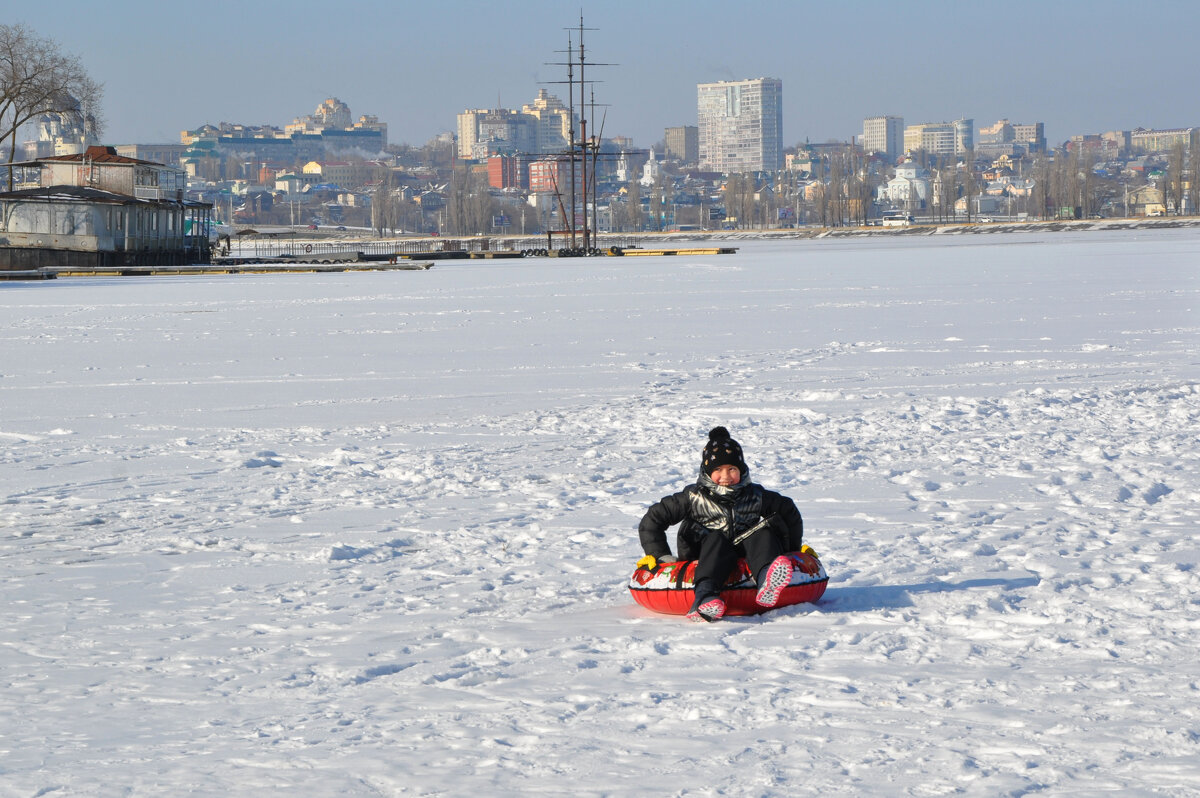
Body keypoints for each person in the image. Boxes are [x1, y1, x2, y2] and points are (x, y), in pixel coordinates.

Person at [638, 426, 804, 622]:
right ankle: (705, 595)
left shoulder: (755, 494)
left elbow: (788, 511)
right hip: (705, 552)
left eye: (732, 469)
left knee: (762, 533)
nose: (725, 477)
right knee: (716, 539)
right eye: (718, 469)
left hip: (744, 552)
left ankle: (767, 576)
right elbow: (652, 520)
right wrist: (660, 556)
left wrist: (792, 551)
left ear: (741, 470)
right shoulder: (693, 496)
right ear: (707, 471)